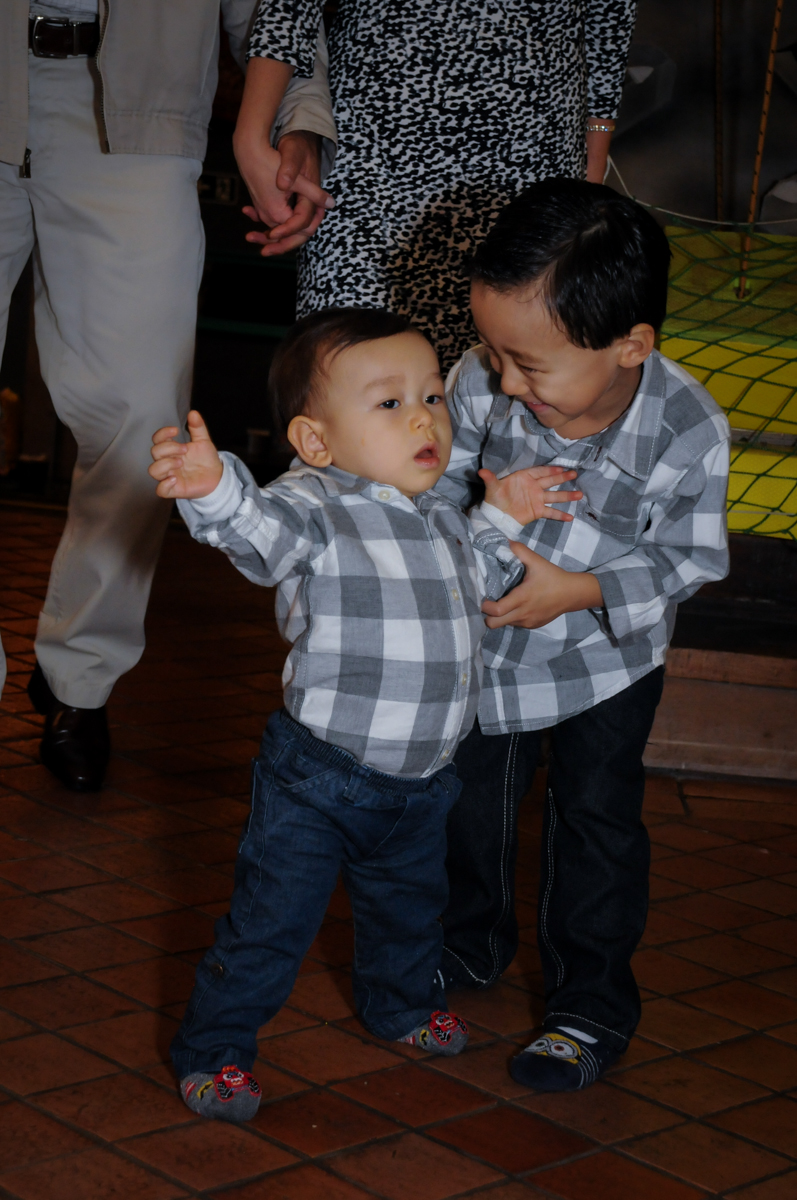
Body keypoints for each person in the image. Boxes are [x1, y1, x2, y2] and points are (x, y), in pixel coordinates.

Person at [149, 307, 580, 1122]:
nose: (423, 415)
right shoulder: (317, 505)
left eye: (431, 396)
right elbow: (259, 536)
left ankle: (401, 1008)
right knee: (270, 928)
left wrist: (502, 517)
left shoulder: (443, 511)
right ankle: (214, 1052)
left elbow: (485, 586)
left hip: (422, 783)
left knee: (408, 913)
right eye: (388, 403)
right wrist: (214, 489)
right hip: (321, 779)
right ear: (316, 442)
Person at [436, 180, 731, 1091]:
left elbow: (688, 559)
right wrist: (473, 513)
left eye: (531, 364)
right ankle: (464, 946)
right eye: (493, 351)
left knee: (596, 820)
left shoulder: (689, 428)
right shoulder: (479, 380)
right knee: (467, 803)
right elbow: (431, 493)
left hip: (609, 662)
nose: (506, 381)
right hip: (487, 652)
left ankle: (587, 1005)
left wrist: (581, 589)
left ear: (629, 345)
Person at [0, 0, 334, 791]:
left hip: (139, 113)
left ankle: (82, 677)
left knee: (144, 419)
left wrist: (298, 121)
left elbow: (272, 8)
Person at [234, 0, 638, 364]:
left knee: (513, 392)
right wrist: (251, 134)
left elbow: (610, 14)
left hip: (533, 146)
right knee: (354, 380)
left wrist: (592, 162)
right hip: (375, 147)